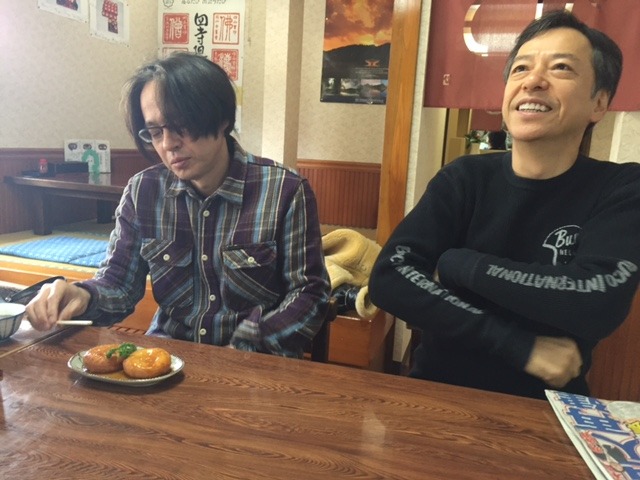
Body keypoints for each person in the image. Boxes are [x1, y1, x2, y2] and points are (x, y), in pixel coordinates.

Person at [369, 10, 640, 399]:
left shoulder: (621, 188)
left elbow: (598, 299)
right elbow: (390, 278)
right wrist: (518, 345)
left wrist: (460, 264)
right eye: (521, 68)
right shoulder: (463, 178)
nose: (533, 80)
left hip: (546, 407)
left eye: (561, 68)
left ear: (599, 103)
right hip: (436, 395)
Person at [26, 52, 331, 358]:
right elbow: (118, 284)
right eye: (155, 132)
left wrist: (249, 345)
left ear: (222, 119)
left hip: (253, 365)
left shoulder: (285, 191)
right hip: (166, 362)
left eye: (181, 125)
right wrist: (82, 294)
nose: (167, 144)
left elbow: (310, 292)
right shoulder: (143, 191)